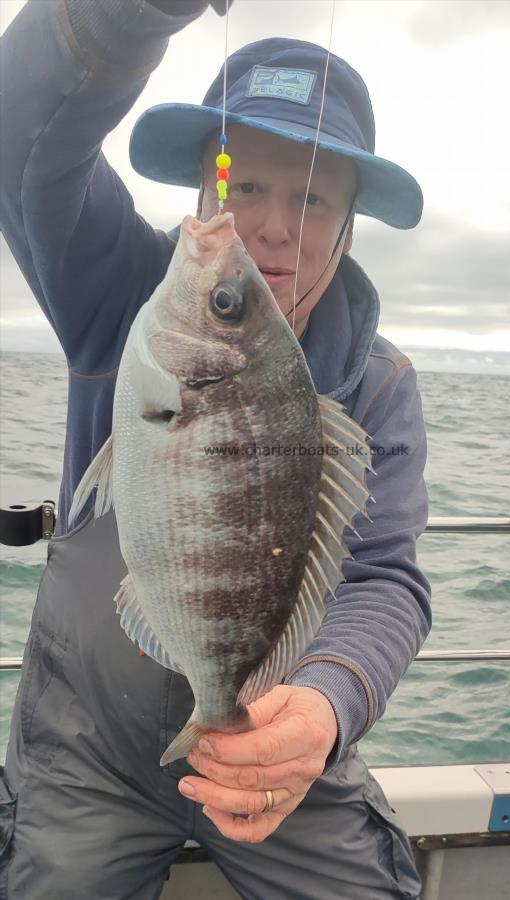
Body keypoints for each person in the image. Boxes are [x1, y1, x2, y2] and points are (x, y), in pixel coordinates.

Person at [0, 1, 432, 898]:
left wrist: (323, 705)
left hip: (273, 729)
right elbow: (21, 141)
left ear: (349, 226)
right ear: (205, 195)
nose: (272, 229)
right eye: (244, 188)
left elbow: (385, 578)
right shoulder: (118, 294)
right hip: (89, 756)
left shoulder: (380, 387)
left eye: (311, 196)